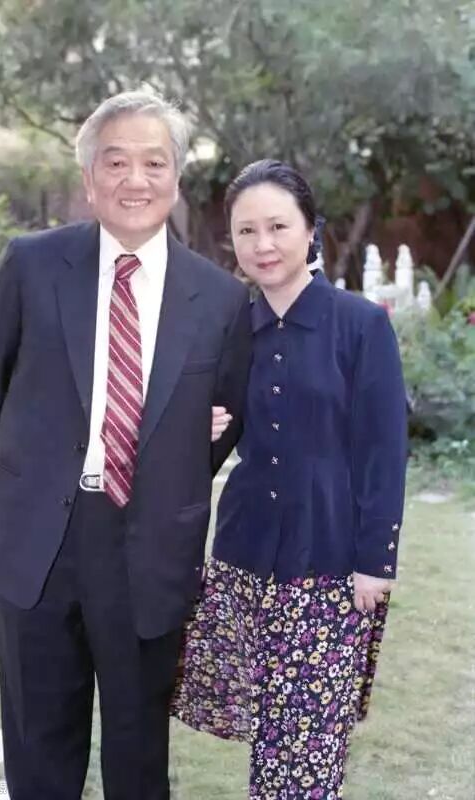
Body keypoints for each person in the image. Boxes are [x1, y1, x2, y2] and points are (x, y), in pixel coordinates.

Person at [0, 89, 252, 800]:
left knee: (137, 755)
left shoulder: (220, 299)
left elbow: (225, 419)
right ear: (89, 178)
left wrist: (159, 470)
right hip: (41, 542)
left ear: (175, 179)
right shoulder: (33, 265)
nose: (135, 179)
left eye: (154, 162)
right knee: (39, 751)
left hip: (149, 548)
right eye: (116, 162)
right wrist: (41, 469)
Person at [172, 159, 407, 799]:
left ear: (310, 230)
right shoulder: (231, 330)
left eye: (278, 226)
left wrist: (375, 560)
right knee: (271, 736)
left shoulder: (361, 325)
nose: (263, 244)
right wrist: (197, 427)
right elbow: (212, 442)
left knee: (307, 747)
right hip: (244, 561)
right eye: (246, 231)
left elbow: (384, 451)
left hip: (329, 564)